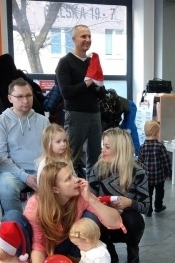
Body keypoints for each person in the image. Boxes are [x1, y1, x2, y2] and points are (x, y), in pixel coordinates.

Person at [23, 162, 123, 263]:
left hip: (72, 246)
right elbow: (39, 244)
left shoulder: (80, 195)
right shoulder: (35, 206)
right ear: (55, 189)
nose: (76, 180)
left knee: (90, 218)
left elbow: (115, 222)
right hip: (48, 252)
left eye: (73, 175)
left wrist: (91, 199)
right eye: (68, 179)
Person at [88, 128, 150, 263]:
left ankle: (132, 247)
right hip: (104, 217)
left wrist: (129, 203)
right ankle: (109, 249)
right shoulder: (97, 169)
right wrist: (102, 205)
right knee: (91, 220)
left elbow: (146, 207)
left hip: (128, 218)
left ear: (120, 149)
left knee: (134, 220)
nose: (102, 150)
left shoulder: (137, 171)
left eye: (107, 147)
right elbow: (90, 199)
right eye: (103, 145)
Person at [0, 77, 51, 214]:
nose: (25, 100)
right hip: (13, 172)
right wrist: (25, 177)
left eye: (29, 95)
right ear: (10, 98)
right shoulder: (0, 122)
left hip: (42, 170)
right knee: (7, 187)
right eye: (20, 96)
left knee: (64, 183)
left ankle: (51, 227)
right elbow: (0, 158)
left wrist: (46, 172)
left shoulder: (43, 121)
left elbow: (50, 152)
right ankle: (16, 227)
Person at [55, 24, 106, 176]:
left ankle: (92, 194)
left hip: (95, 115)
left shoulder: (92, 62)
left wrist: (97, 86)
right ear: (73, 39)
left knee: (96, 158)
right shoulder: (65, 62)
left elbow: (102, 93)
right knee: (71, 158)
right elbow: (66, 93)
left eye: (89, 36)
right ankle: (70, 195)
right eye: (83, 36)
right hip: (76, 116)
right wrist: (88, 82)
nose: (88, 39)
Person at [137, 120, 170, 216]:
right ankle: (158, 206)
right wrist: (167, 173)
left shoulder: (142, 147)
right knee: (160, 191)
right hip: (159, 176)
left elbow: (140, 163)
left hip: (146, 177)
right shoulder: (160, 146)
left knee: (148, 193)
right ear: (156, 133)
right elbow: (165, 161)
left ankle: (148, 210)